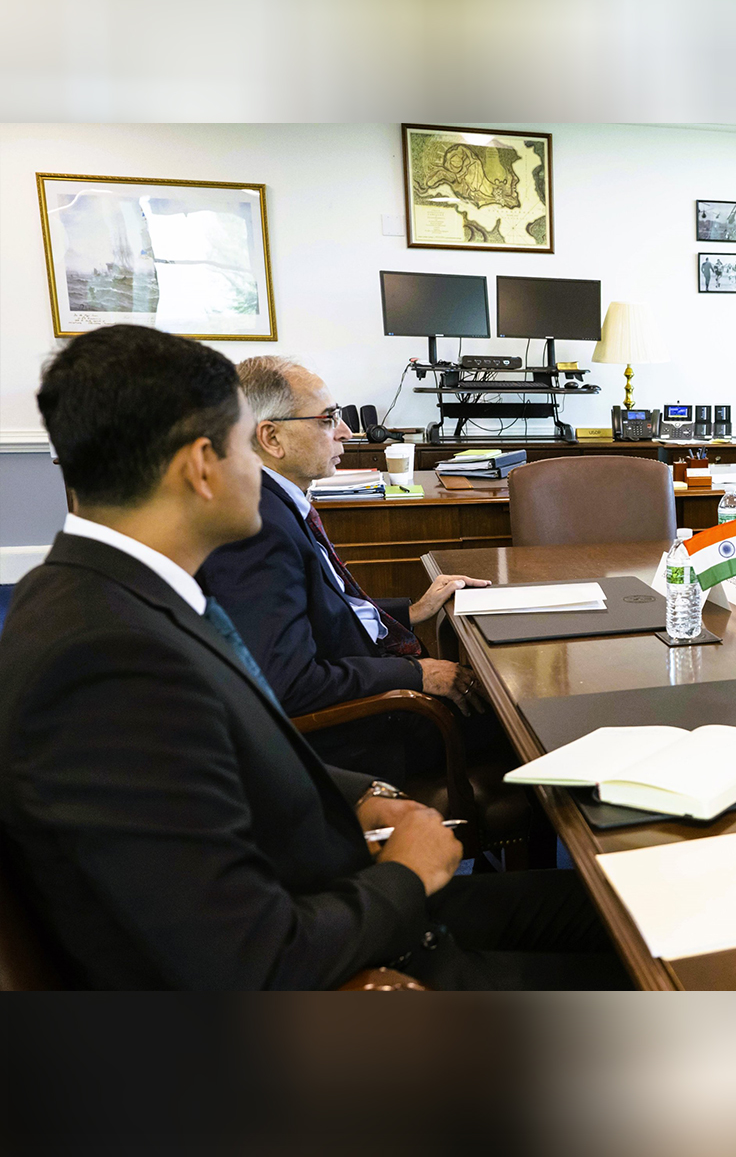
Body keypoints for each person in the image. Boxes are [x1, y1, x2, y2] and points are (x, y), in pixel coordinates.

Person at [0, 325, 625, 988]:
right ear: (201, 466)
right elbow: (248, 958)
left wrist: (361, 795)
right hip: (359, 957)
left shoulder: (120, 596)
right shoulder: (104, 663)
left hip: (346, 892)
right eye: (249, 444)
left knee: (626, 910)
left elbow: (241, 754)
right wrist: (406, 876)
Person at [198, 356, 490, 782]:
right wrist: (415, 673)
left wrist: (411, 610)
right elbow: (289, 682)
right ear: (272, 437)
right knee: (528, 720)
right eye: (327, 418)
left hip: (376, 697)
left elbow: (319, 613)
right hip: (359, 737)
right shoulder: (255, 528)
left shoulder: (272, 502)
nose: (345, 431)